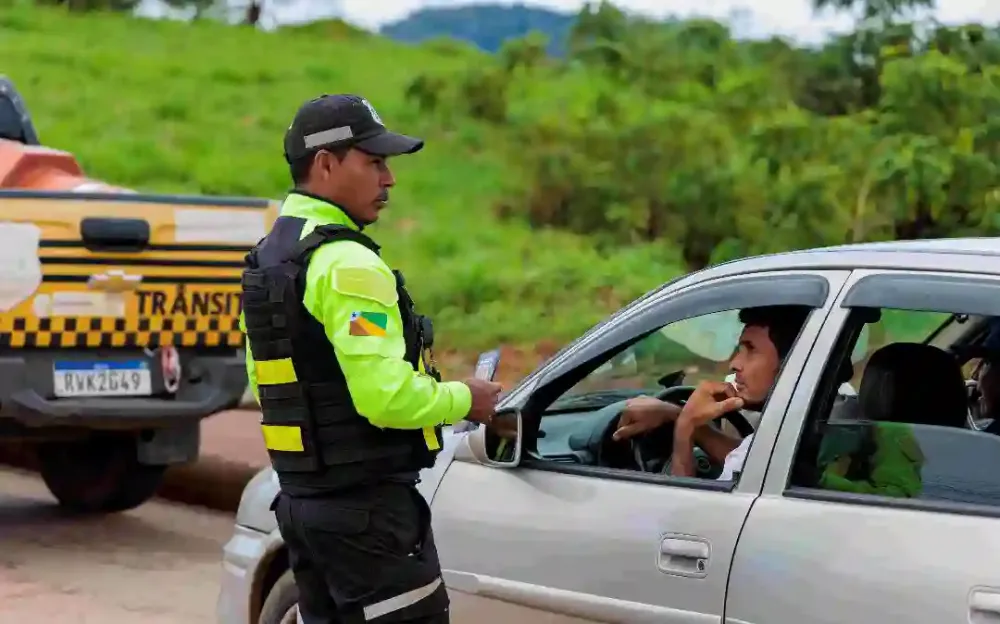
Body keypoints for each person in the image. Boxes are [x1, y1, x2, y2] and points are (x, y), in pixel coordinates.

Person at [240, 93, 503, 624]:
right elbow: (385, 397)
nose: (390, 180)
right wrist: (465, 398)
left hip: (302, 503)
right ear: (326, 164)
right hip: (367, 516)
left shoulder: (268, 258)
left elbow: (269, 384)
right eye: (374, 161)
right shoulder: (348, 264)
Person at [611, 305, 811, 480]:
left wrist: (685, 429)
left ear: (791, 363)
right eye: (739, 350)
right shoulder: (794, 441)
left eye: (751, 350)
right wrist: (678, 415)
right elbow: (747, 459)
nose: (734, 364)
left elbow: (685, 517)